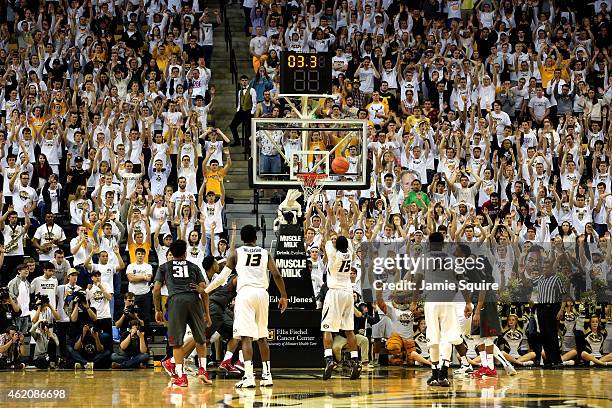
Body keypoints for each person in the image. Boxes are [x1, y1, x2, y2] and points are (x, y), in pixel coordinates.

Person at [205, 225, 288, 388]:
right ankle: (267, 375)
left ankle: (249, 376)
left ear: (242, 239)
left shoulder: (236, 253)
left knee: (246, 337)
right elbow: (277, 274)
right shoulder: (265, 253)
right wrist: (283, 296)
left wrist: (206, 291)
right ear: (255, 238)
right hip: (263, 294)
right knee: (263, 336)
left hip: (245, 293)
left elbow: (222, 279)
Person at [413, 232, 472, 387]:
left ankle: (434, 373)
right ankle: (443, 373)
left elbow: (418, 281)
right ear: (443, 243)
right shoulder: (452, 259)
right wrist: (468, 303)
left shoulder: (424, 258)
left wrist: (413, 302)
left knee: (433, 336)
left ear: (429, 243)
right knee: (447, 336)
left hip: (431, 301)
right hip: (448, 301)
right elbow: (462, 282)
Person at [153, 239, 212, 387]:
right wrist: (207, 314)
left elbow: (156, 289)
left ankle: (181, 376)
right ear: (185, 253)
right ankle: (203, 370)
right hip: (194, 300)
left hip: (176, 302)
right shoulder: (194, 266)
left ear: (171, 253)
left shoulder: (164, 267)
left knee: (176, 342)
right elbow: (204, 290)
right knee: (200, 339)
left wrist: (158, 309)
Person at [321, 234, 362, 380]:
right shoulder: (349, 253)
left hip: (334, 293)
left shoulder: (333, 254)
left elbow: (325, 240)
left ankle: (329, 359)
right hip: (348, 292)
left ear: (335, 245)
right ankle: (356, 361)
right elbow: (346, 240)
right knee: (349, 330)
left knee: (327, 328)